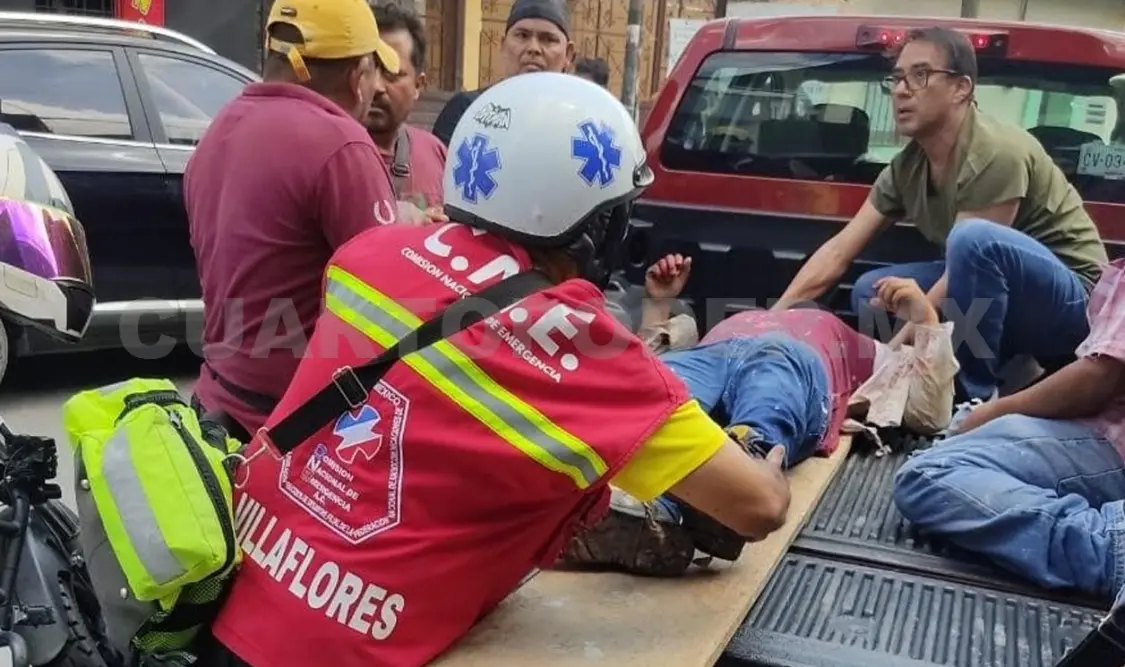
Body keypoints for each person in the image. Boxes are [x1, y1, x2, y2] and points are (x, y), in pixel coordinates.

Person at [202, 73, 792, 667]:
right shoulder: (583, 351)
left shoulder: (367, 254)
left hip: (228, 593)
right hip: (341, 652)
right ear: (598, 226)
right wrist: (769, 460)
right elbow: (756, 508)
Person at [563, 254, 960, 575]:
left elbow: (928, 412)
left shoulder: (852, 340)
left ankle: (738, 471)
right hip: (710, 356)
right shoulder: (738, 321)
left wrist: (924, 317)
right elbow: (649, 366)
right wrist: (659, 302)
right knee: (660, 390)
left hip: (788, 365)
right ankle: (636, 510)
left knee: (773, 366)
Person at [773, 27, 1108, 406]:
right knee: (874, 292)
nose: (901, 89)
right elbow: (838, 252)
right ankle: (1012, 371)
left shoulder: (996, 152)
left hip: (1077, 305)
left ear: (961, 89)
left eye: (920, 75)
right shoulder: (907, 167)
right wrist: (771, 321)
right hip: (1005, 299)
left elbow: (958, 273)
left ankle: (970, 398)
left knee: (971, 241)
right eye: (897, 78)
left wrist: (891, 365)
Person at [186, 0, 401, 441]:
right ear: (357, 76)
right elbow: (386, 302)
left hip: (216, 401)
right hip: (294, 429)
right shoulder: (343, 145)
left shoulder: (221, 127)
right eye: (375, 70)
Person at [893, 257, 1125, 605]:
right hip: (1099, 425)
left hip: (1112, 442)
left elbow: (1099, 377)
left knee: (929, 473)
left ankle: (1106, 545)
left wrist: (993, 411)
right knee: (957, 436)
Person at [430, 0, 574, 147]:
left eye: (548, 39)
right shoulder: (468, 110)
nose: (533, 48)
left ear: (568, 54)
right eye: (522, 36)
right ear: (504, 45)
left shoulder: (579, 120)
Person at [367, 1, 448, 222]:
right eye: (366, 69)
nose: (376, 86)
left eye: (391, 73)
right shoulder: (324, 157)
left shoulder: (436, 153)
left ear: (418, 85)